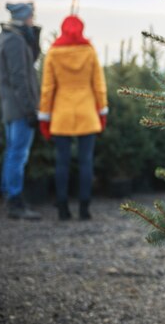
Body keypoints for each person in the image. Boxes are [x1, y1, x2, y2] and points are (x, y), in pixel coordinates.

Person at [38, 14, 108, 220]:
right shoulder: (90, 51)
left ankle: (62, 208)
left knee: (62, 162)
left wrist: (44, 117)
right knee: (86, 162)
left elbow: (47, 89)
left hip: (62, 114)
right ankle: (84, 209)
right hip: (87, 113)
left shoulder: (53, 53)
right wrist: (102, 111)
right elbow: (99, 86)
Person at [0, 2, 42, 220]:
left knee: (12, 151)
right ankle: (15, 201)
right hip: (19, 108)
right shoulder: (13, 40)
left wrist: (35, 38)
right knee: (18, 154)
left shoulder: (8, 37)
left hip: (11, 107)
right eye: (32, 16)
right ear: (24, 17)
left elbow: (29, 61)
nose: (34, 19)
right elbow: (19, 77)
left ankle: (10, 195)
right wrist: (29, 109)